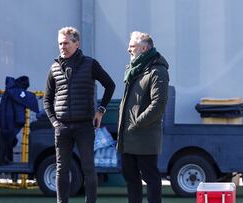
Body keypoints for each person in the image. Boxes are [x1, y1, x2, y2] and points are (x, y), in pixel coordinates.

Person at [44, 26, 115, 203]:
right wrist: (54, 122)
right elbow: (47, 99)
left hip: (85, 125)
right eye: (60, 43)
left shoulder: (90, 64)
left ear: (77, 43)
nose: (62, 46)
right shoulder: (53, 68)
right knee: (62, 169)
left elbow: (110, 85)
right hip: (62, 126)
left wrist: (101, 111)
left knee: (88, 168)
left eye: (66, 43)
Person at [117, 31, 169, 203]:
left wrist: (137, 122)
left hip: (144, 136)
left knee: (151, 177)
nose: (128, 50)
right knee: (131, 178)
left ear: (144, 48)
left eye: (132, 46)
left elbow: (159, 104)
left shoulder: (157, 71)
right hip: (128, 135)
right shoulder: (134, 70)